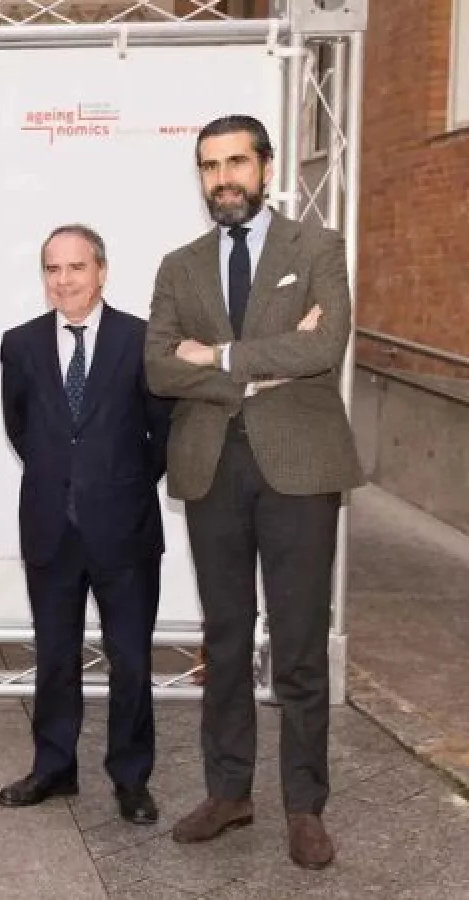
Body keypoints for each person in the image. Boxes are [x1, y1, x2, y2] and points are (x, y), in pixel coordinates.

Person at [146, 114, 362, 870]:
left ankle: (306, 807)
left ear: (265, 168)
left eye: (236, 162)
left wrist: (218, 356)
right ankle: (229, 791)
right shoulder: (179, 265)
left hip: (300, 465)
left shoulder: (317, 247)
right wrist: (258, 370)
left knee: (299, 643)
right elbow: (159, 367)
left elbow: (324, 346)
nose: (223, 179)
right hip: (212, 466)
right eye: (210, 167)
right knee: (227, 640)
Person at [0, 224, 171, 825]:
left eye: (76, 267)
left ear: (101, 271)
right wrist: (67, 484)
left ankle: (131, 778)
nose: (64, 280)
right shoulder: (20, 344)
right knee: (55, 657)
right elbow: (22, 430)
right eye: (53, 269)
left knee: (132, 661)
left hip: (125, 529)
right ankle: (54, 767)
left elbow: (160, 435)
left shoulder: (140, 340)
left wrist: (114, 485)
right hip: (51, 527)